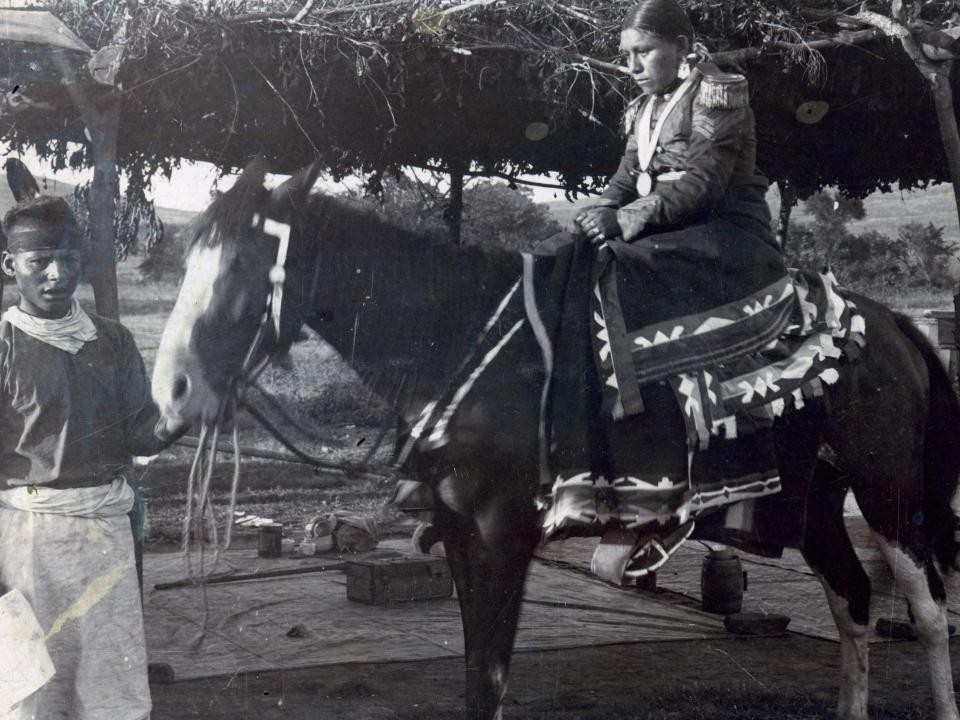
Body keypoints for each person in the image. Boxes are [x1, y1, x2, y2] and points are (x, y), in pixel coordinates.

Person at [0, 194, 186, 720]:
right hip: (26, 541)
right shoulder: (4, 346)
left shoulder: (113, 340)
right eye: (39, 262)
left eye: (69, 259)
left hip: (105, 536)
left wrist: (180, 419)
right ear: (10, 265)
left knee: (110, 690)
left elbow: (139, 434)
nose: (57, 274)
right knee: (28, 691)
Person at [570, 0, 785, 330]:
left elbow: (704, 182)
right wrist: (601, 210)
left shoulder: (715, 93)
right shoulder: (644, 106)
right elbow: (629, 173)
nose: (633, 66)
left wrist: (623, 217)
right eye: (627, 55)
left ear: (681, 47)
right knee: (563, 252)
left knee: (619, 266)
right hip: (668, 227)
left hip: (724, 229)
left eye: (644, 51)